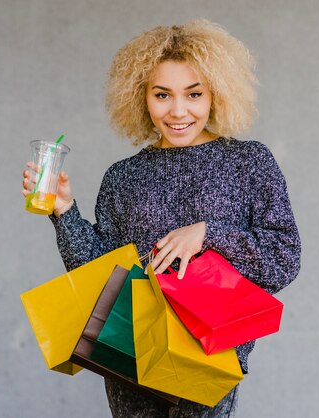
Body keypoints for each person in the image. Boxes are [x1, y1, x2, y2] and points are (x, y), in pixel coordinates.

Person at [22, 19, 301, 418]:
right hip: (132, 354)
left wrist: (207, 234)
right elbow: (102, 278)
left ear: (215, 95)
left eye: (193, 94)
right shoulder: (123, 176)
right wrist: (64, 211)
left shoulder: (249, 163)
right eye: (162, 95)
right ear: (142, 98)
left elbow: (284, 258)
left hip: (211, 351)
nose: (178, 110)